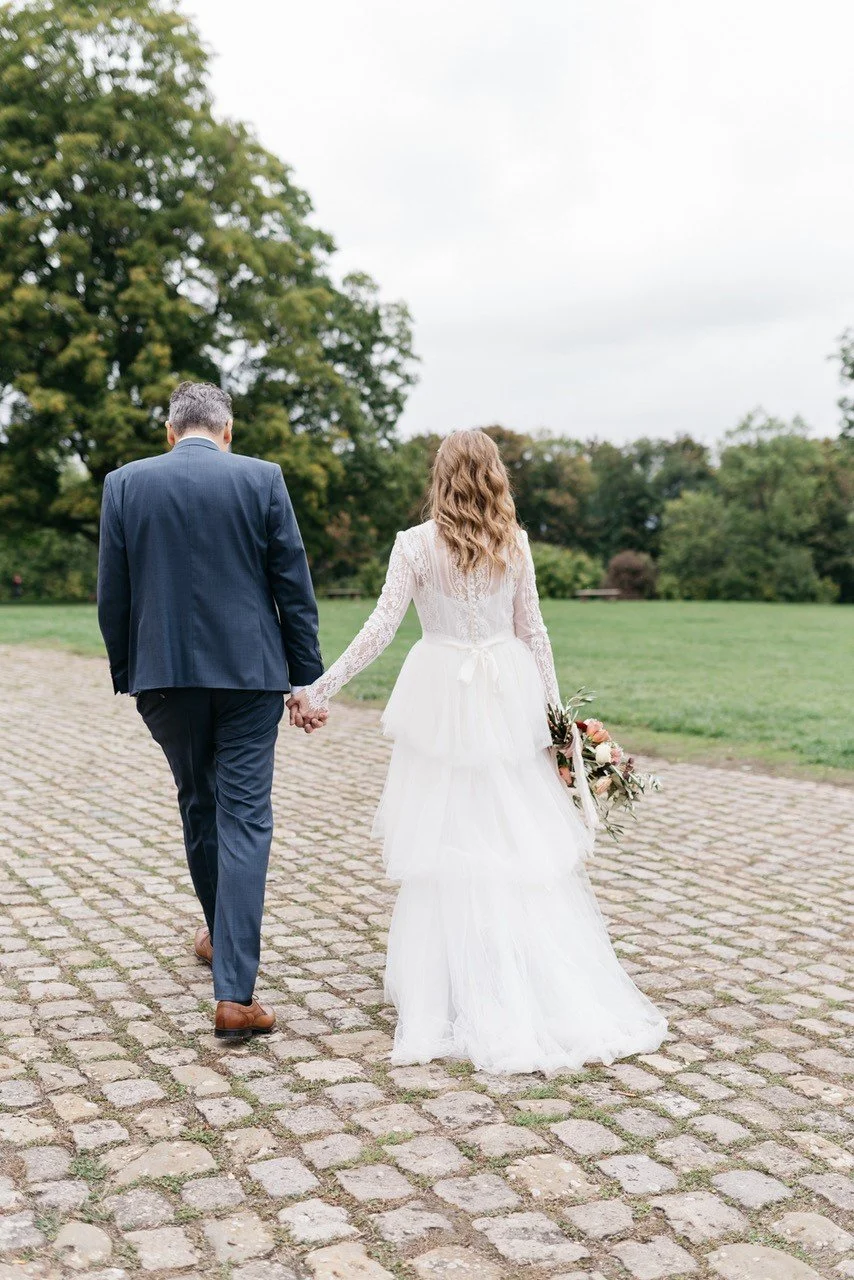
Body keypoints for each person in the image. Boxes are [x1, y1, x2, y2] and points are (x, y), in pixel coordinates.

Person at [294, 429, 667, 1073]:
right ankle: (514, 977)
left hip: (441, 697)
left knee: (446, 838)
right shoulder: (512, 542)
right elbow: (534, 634)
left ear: (438, 477)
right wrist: (557, 722)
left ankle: (456, 989)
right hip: (505, 690)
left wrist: (318, 688)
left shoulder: (414, 547)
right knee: (512, 834)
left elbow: (382, 627)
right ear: (496, 478)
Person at [97, 381, 326, 1041]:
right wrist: (305, 678)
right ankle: (235, 991)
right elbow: (293, 584)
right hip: (251, 676)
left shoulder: (125, 485)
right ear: (228, 431)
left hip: (164, 677)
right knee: (245, 820)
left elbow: (114, 592)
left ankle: (220, 942)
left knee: (199, 805)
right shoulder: (261, 479)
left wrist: (127, 671)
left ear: (171, 432)